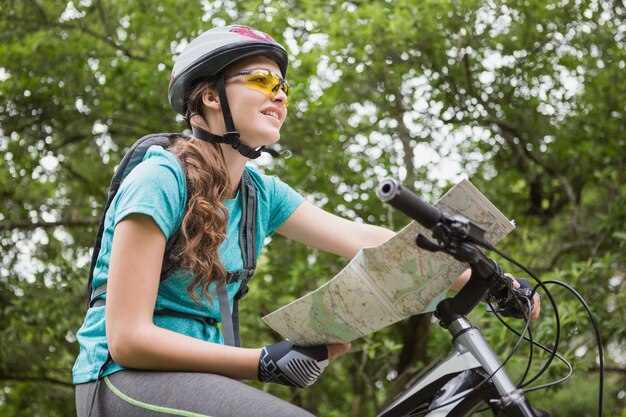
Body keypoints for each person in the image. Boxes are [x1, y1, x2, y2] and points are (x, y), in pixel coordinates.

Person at [72, 25, 540, 417]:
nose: (278, 95)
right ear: (210, 97)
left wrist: (487, 277)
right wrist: (263, 362)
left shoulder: (260, 194)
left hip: (193, 382)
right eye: (260, 80)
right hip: (118, 382)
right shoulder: (160, 179)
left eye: (283, 87)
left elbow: (362, 239)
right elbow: (128, 339)